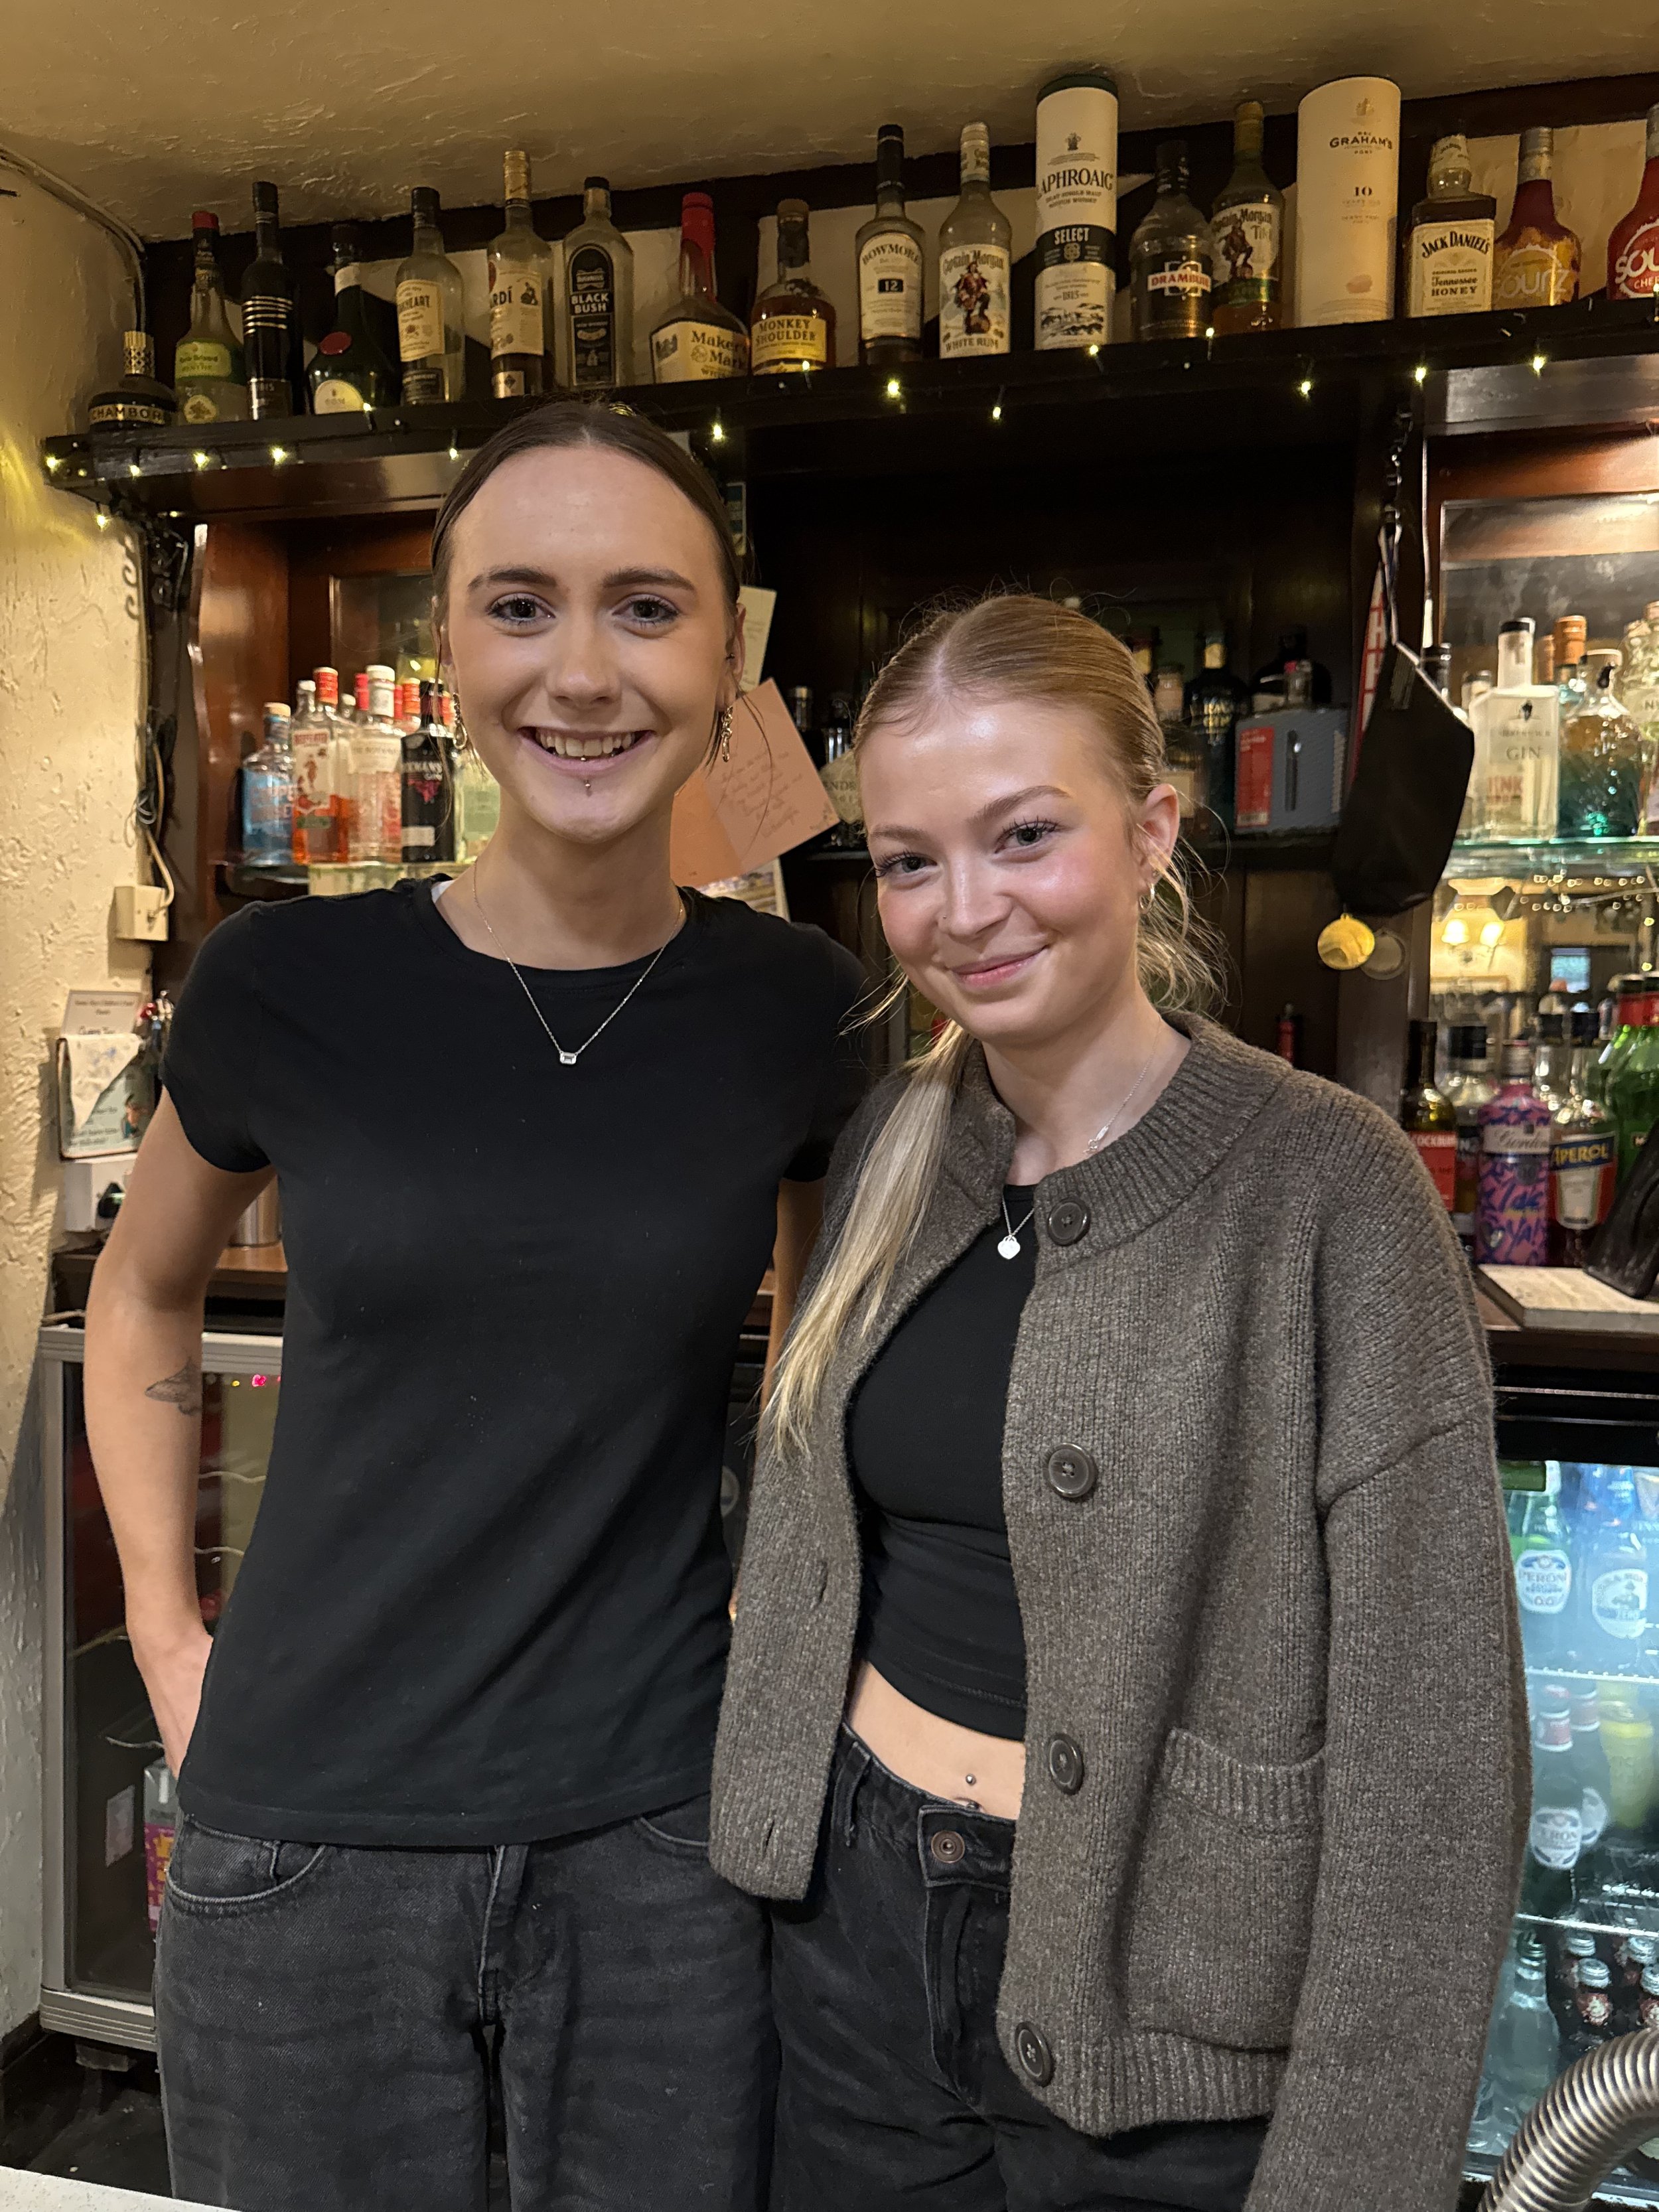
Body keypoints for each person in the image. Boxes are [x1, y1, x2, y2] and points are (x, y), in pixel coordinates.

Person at [84, 402, 865, 2212]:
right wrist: (165, 1626)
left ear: (725, 654)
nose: (582, 670)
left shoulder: (795, 1004)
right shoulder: (286, 975)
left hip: (661, 1838)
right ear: (447, 645)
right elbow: (143, 1289)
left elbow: (823, 1375)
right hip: (305, 1828)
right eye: (522, 605)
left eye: (645, 608)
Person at [710, 593, 1526, 2211]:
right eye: (907, 859)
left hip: (1170, 1996)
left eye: (1023, 835)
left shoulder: (1322, 1186)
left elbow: (1434, 1762)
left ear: (1151, 830)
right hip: (851, 1942)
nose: (962, 912)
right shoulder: (891, 1148)